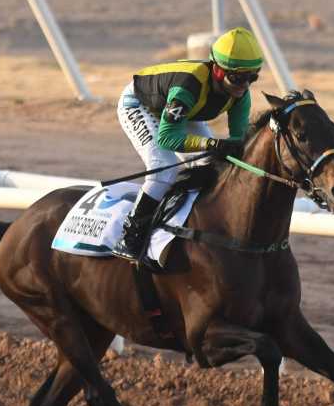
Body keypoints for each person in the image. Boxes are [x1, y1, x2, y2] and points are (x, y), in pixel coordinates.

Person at [112, 27, 264, 261]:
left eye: (251, 77)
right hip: (140, 104)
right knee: (165, 169)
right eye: (237, 77)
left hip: (184, 110)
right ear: (216, 69)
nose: (244, 85)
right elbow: (167, 138)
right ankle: (130, 235)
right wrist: (211, 142)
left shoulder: (241, 95)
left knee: (209, 167)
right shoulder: (189, 85)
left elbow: (239, 144)